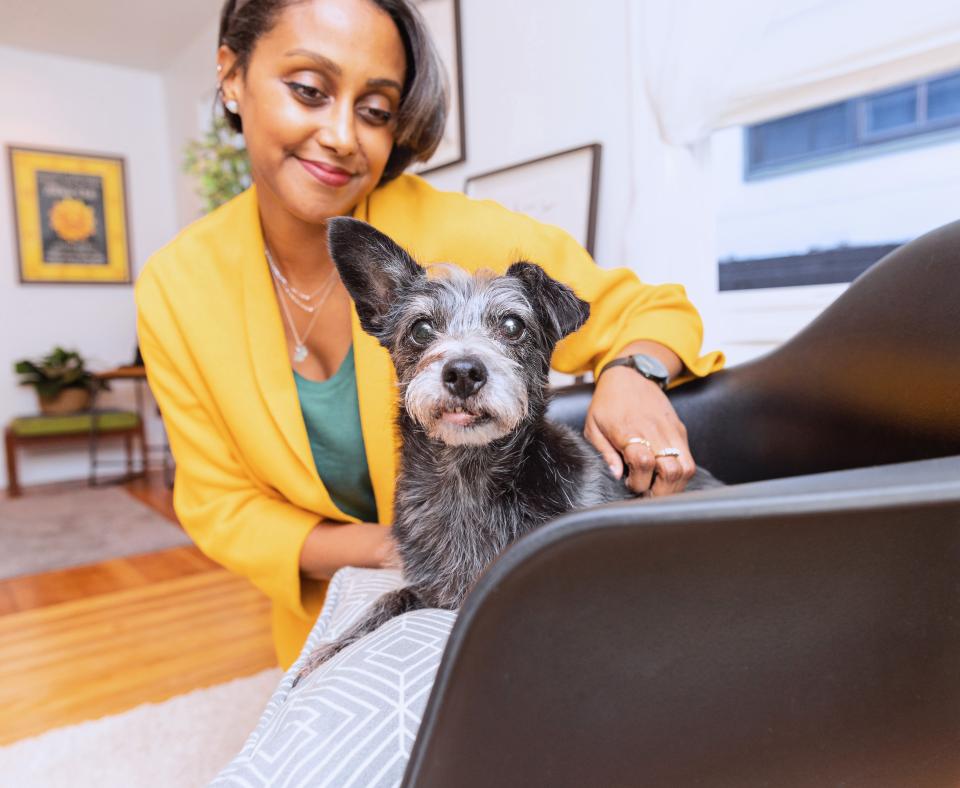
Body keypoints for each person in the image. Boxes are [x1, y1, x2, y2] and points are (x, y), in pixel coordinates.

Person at [135, 0, 724, 669]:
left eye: (376, 110)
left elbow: (649, 308)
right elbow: (221, 505)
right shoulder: (175, 287)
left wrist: (632, 373)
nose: (340, 135)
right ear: (232, 75)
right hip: (353, 595)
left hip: (537, 590)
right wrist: (412, 548)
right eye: (309, 90)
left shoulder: (464, 233)